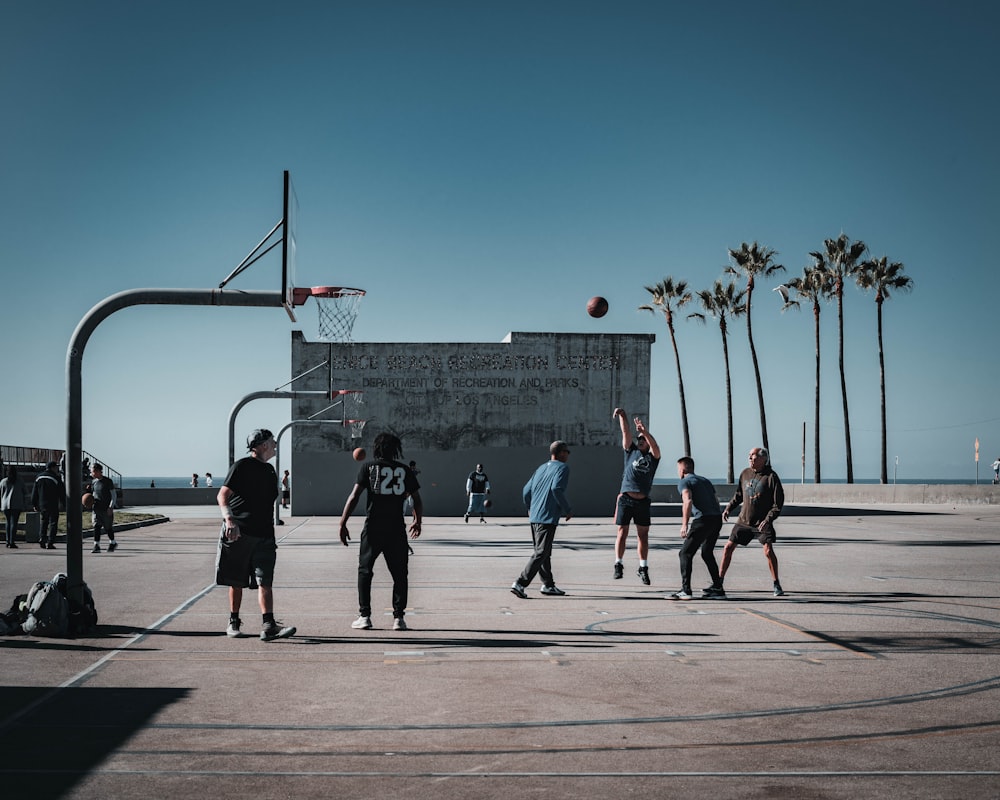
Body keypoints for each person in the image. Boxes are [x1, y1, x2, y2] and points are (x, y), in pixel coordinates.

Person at [217, 428, 296, 641]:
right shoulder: (241, 466)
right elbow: (222, 495)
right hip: (240, 532)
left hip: (264, 535)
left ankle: (268, 625)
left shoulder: (270, 470)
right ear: (262, 445)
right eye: (272, 442)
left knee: (265, 581)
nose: (275, 445)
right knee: (237, 580)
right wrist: (229, 520)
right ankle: (233, 621)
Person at [339, 432, 422, 631]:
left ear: (376, 448)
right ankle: (399, 619)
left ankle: (365, 616)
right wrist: (418, 521)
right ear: (396, 450)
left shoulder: (368, 467)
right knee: (400, 574)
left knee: (365, 570)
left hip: (374, 526)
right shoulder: (404, 470)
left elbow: (354, 497)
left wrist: (342, 523)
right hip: (396, 527)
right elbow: (417, 500)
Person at [719, 447, 785, 596]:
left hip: (762, 522)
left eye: (754, 457)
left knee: (768, 551)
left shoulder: (771, 477)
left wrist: (768, 520)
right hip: (744, 520)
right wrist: (728, 508)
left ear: (763, 459)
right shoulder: (745, 474)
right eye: (749, 457)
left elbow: (778, 504)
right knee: (728, 547)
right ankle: (719, 581)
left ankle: (776, 584)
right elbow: (738, 495)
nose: (751, 460)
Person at [510, 441, 573, 599]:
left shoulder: (541, 468)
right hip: (547, 516)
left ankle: (548, 585)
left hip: (535, 516)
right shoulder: (563, 468)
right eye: (567, 451)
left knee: (544, 552)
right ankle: (520, 583)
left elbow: (526, 491)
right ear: (560, 453)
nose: (568, 454)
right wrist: (567, 509)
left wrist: (531, 507)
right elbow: (556, 489)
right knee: (541, 552)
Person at [611, 408, 661, 584]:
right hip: (626, 499)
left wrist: (645, 432)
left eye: (643, 440)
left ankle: (643, 568)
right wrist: (623, 416)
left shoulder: (653, 458)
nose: (640, 441)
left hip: (642, 502)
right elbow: (625, 432)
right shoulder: (630, 452)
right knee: (622, 532)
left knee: (643, 536)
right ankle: (618, 564)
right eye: (639, 439)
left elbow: (655, 447)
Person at [670, 457, 724, 600]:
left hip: (703, 520)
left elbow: (687, 500)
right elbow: (715, 500)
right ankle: (718, 588)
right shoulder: (705, 480)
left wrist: (684, 524)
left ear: (682, 470)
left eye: (678, 469)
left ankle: (685, 590)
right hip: (716, 519)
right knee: (707, 553)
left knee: (685, 553)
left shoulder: (684, 481)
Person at [32, 460, 65, 549]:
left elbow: (34, 492)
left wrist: (34, 503)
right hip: (53, 503)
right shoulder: (56, 478)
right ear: (53, 468)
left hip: (42, 503)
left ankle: (42, 539)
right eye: (56, 467)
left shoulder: (38, 477)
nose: (57, 469)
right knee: (53, 523)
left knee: (44, 522)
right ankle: (50, 542)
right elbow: (62, 492)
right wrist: (64, 503)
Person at [88, 463, 117, 553]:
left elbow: (113, 495)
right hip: (96, 508)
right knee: (96, 526)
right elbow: (93, 494)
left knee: (108, 527)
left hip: (106, 508)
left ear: (97, 471)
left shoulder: (108, 481)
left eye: (92, 471)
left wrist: (111, 507)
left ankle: (112, 542)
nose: (91, 473)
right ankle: (96, 545)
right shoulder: (93, 482)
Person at [1, 465, 26, 549]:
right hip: (17, 504)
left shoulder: (3, 481)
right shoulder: (19, 481)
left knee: (7, 522)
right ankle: (12, 541)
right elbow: (25, 492)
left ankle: (7, 541)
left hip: (5, 504)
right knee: (14, 523)